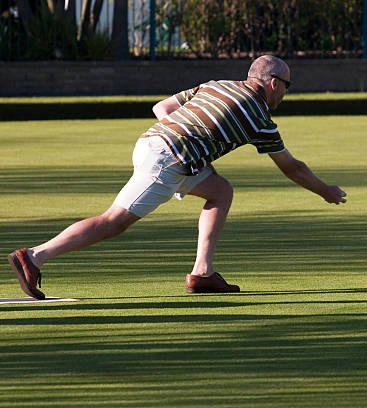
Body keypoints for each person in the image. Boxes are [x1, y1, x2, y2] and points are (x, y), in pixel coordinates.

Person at [8, 55, 347, 299]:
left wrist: (195, 148)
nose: (285, 94)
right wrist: (324, 190)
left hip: (152, 143)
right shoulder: (258, 115)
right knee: (113, 221)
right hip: (168, 160)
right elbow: (292, 167)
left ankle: (203, 273)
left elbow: (163, 108)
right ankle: (35, 256)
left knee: (220, 191)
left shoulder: (218, 86)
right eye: (286, 87)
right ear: (274, 83)